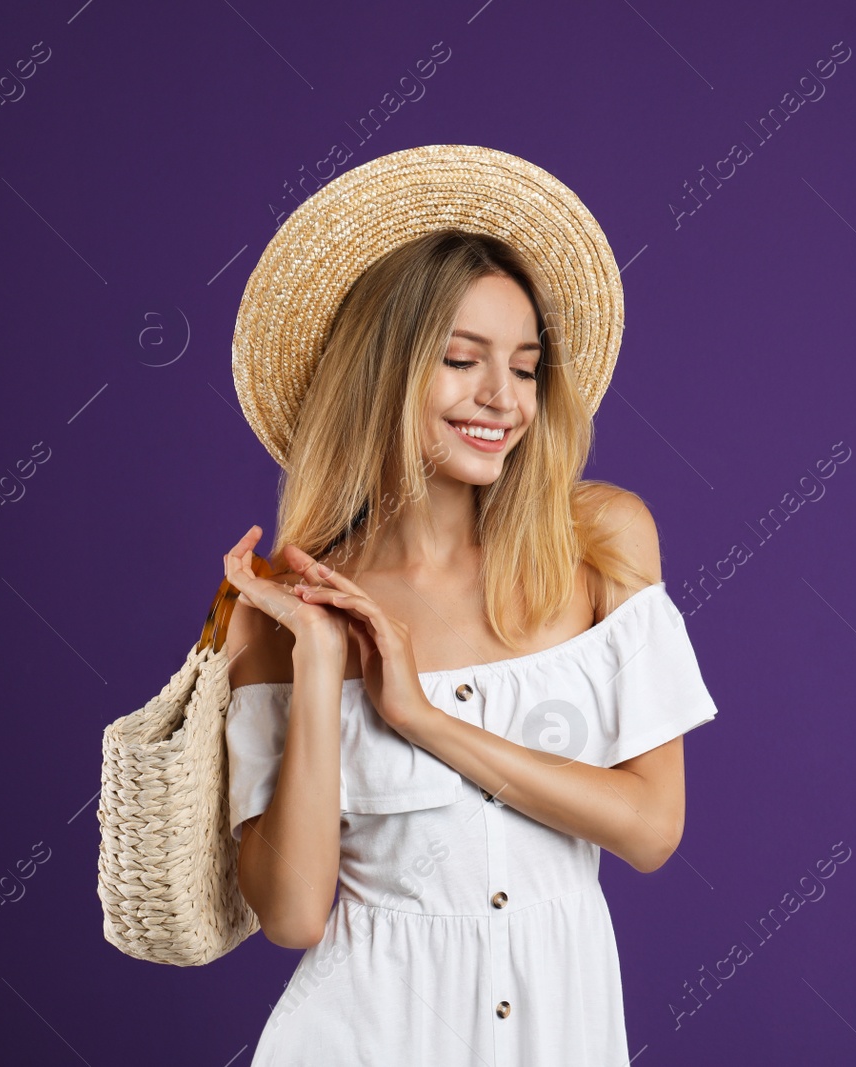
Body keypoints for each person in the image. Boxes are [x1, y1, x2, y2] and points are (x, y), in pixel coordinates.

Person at [218, 147, 719, 1065]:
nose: (502, 398)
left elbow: (652, 829)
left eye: (525, 367)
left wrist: (418, 715)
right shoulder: (284, 608)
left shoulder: (603, 540)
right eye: (461, 359)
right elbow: (292, 915)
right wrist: (323, 663)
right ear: (381, 371)